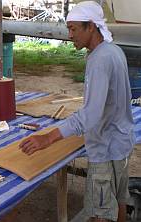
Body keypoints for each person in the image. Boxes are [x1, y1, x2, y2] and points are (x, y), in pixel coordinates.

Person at [19, 2, 134, 222]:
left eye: (73, 29)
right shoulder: (113, 50)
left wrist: (49, 138)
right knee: (118, 200)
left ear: (91, 26)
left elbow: (91, 114)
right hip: (120, 140)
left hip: (106, 146)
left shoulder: (100, 58)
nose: (70, 35)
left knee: (100, 213)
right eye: (68, 29)